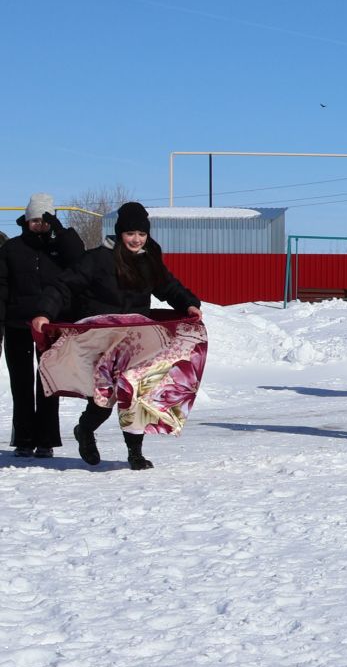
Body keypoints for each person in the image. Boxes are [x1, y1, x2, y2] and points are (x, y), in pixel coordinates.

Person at [31, 201, 203, 468]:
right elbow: (63, 286)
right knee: (104, 398)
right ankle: (85, 430)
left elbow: (169, 287)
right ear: (120, 233)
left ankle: (134, 453)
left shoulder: (149, 262)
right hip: (102, 338)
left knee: (136, 393)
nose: (136, 240)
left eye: (142, 234)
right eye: (130, 233)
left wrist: (189, 303)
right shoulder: (97, 259)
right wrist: (44, 312)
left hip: (135, 340)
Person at [2, 195, 85, 457]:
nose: (40, 224)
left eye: (45, 219)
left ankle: (46, 440)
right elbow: (1, 289)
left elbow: (80, 258)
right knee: (22, 383)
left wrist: (59, 230)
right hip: (18, 324)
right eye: (35, 219)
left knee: (48, 383)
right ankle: (25, 438)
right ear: (26, 221)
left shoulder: (60, 248)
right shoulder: (11, 249)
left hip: (52, 325)